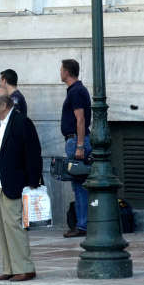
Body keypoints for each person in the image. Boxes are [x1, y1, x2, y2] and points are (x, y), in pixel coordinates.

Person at [0, 89, 42, 282]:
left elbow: (33, 153)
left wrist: (32, 183)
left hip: (15, 183)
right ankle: (10, 267)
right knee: (3, 229)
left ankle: (25, 267)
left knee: (15, 226)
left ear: (3, 105)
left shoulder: (22, 122)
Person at [59, 59, 92, 238]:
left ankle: (82, 225)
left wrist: (79, 145)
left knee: (80, 185)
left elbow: (81, 119)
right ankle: (81, 224)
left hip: (76, 141)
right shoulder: (76, 90)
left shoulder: (77, 91)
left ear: (66, 72)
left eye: (61, 69)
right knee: (78, 185)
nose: (60, 72)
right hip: (74, 141)